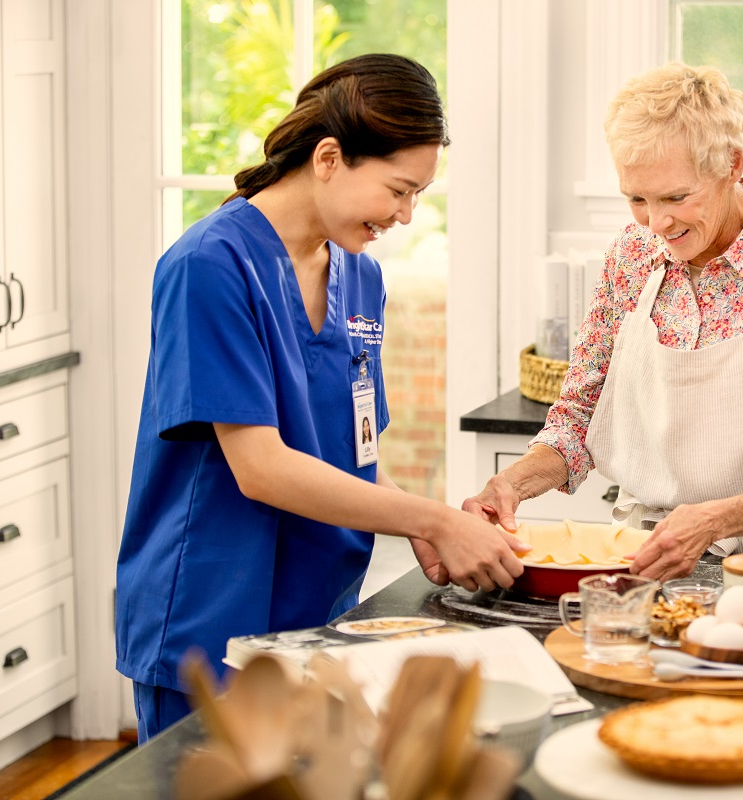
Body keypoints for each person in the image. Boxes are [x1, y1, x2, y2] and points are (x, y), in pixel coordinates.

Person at [116, 54, 527, 743]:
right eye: (398, 189)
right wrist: (433, 519)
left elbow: (350, 453)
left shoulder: (360, 278)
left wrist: (427, 526)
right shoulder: (208, 267)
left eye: (419, 195)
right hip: (210, 622)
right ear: (329, 157)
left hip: (319, 616)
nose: (406, 214)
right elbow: (263, 467)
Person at [464, 63, 743, 584]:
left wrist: (709, 521)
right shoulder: (631, 255)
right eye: (636, 199)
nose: (656, 223)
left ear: (732, 164)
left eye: (675, 197)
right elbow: (579, 420)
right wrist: (509, 484)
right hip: (638, 555)